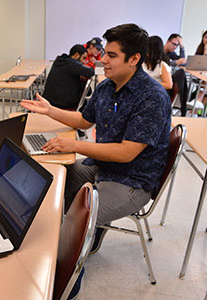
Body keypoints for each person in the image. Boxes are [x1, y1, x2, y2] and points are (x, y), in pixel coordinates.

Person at [21, 23, 170, 255]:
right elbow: (84, 120)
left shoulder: (152, 97)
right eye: (104, 54)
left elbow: (126, 153)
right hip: (102, 167)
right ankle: (88, 230)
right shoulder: (107, 86)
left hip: (131, 181)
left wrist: (74, 145)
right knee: (50, 181)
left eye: (111, 55)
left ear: (134, 59)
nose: (103, 60)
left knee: (72, 224)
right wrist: (50, 110)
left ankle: (68, 273)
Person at [42, 44, 95, 109]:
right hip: (61, 104)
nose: (84, 62)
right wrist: (92, 64)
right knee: (85, 102)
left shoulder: (60, 60)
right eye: (83, 58)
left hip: (48, 100)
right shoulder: (72, 64)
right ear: (77, 55)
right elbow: (91, 72)